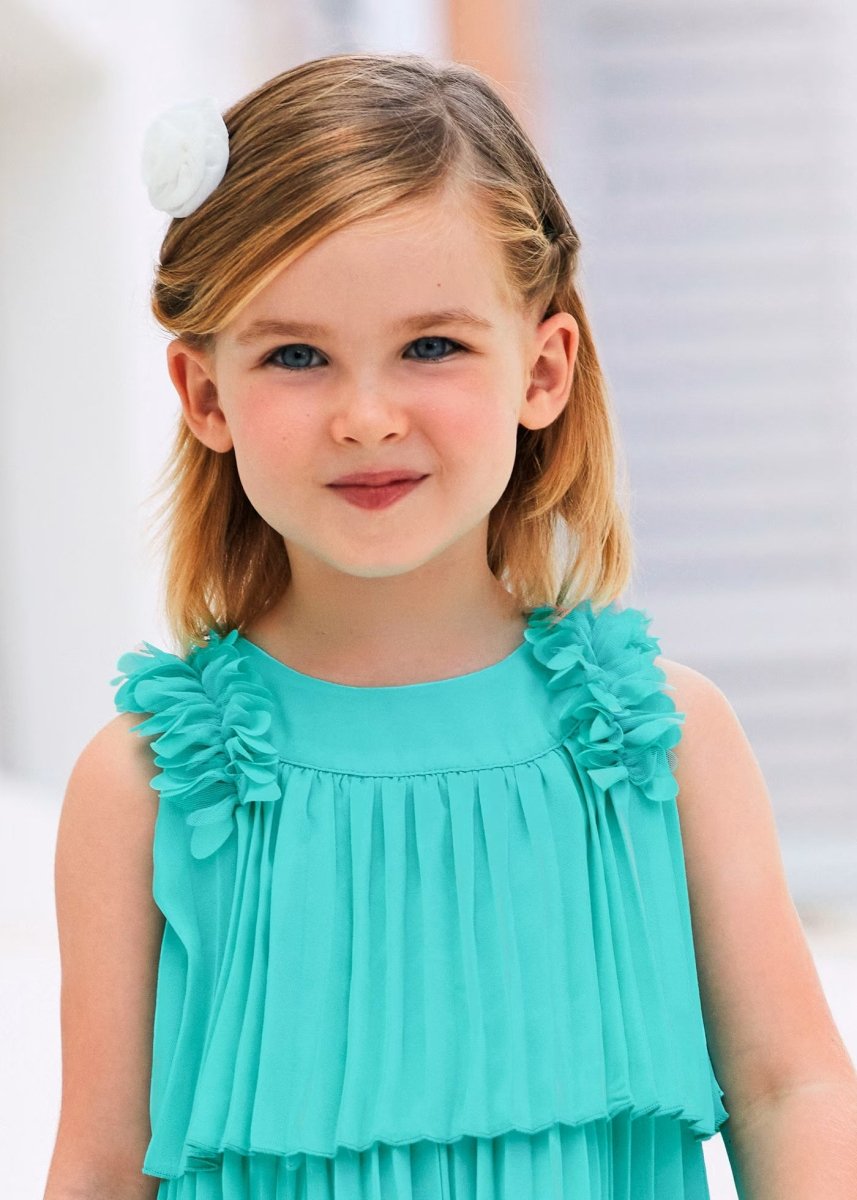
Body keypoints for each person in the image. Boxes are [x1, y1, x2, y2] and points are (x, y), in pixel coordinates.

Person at [45, 51, 857, 1200]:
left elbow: (790, 1089)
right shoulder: (141, 790)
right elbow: (98, 1166)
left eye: (430, 346)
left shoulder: (664, 744)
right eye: (295, 356)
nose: (366, 416)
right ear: (205, 395)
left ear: (542, 369)